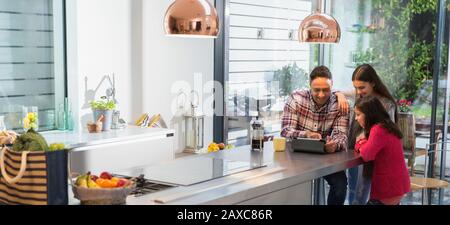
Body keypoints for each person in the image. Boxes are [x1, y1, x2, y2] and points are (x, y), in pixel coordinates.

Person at [281, 65, 350, 205]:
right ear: (309, 87)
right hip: (296, 157)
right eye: (316, 90)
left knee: (340, 186)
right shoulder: (296, 99)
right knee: (292, 188)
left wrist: (335, 144)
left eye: (326, 90)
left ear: (332, 87)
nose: (321, 94)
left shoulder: (340, 105)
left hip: (325, 156)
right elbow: (286, 130)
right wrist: (306, 134)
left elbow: (341, 135)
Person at [335, 64, 398, 205]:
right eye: (356, 87)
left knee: (364, 192)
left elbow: (388, 135)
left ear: (373, 83)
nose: (358, 91)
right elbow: (337, 91)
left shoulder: (386, 104)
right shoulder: (360, 95)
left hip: (372, 156)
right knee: (353, 190)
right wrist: (339, 95)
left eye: (362, 87)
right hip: (356, 152)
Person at [353, 96, 410, 205]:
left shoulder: (378, 129)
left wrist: (360, 143)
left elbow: (366, 155)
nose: (356, 118)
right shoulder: (388, 126)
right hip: (398, 184)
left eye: (358, 114)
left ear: (369, 114)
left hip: (389, 187)